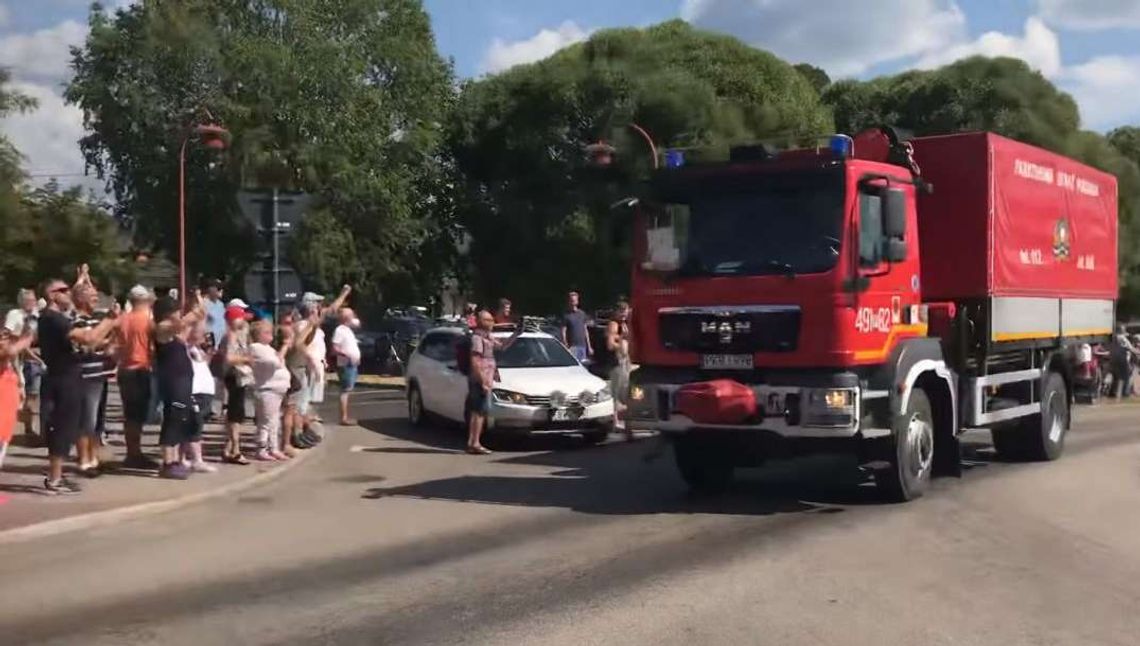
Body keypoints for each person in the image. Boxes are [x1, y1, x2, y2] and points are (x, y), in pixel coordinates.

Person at [38, 277, 118, 494]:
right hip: (63, 379)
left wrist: (105, 341)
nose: (68, 293)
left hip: (66, 376)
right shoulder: (54, 319)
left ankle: (57, 477)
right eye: (63, 290)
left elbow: (86, 344)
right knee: (63, 429)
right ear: (52, 295)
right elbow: (89, 338)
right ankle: (54, 480)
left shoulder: (54, 318)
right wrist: (110, 320)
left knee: (67, 428)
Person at [153, 293, 205, 480]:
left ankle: (175, 459)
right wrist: (192, 312)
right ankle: (168, 462)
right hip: (172, 381)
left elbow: (195, 334)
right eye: (175, 310)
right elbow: (181, 324)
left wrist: (199, 311)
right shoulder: (162, 328)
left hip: (183, 380)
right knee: (173, 417)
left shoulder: (175, 333)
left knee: (182, 417)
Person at [72, 283, 117, 477]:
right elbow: (86, 345)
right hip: (83, 375)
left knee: (97, 420)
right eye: (91, 296)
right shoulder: (77, 320)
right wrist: (105, 328)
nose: (96, 299)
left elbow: (100, 343)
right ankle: (83, 460)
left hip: (99, 374)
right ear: (80, 299)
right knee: (85, 420)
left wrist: (111, 339)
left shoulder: (94, 319)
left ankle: (93, 458)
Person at [466, 309, 523, 454]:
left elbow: (502, 346)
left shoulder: (488, 337)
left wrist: (516, 333)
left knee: (478, 412)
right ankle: (475, 443)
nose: (492, 323)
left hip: (486, 378)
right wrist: (483, 381)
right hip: (480, 380)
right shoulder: (477, 339)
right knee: (479, 412)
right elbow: (475, 361)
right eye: (489, 320)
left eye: (492, 320)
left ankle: (473, 442)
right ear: (481, 322)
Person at [116, 285, 160, 470]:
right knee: (137, 415)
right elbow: (153, 346)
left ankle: (133, 451)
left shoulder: (122, 319)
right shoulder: (148, 321)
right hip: (141, 368)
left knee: (130, 414)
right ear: (147, 299)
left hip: (124, 368)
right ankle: (134, 454)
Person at [216, 305, 254, 464]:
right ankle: (236, 450)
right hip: (234, 377)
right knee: (235, 416)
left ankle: (229, 448)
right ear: (233, 319)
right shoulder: (230, 336)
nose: (244, 321)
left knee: (236, 414)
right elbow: (229, 358)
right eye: (241, 318)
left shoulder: (238, 334)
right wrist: (246, 360)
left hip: (238, 378)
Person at [249, 319, 291, 461]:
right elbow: (275, 363)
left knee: (274, 421)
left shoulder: (269, 348)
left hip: (277, 390)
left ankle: (273, 448)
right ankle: (261, 449)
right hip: (267, 390)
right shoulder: (256, 348)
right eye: (266, 332)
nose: (270, 335)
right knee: (266, 421)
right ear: (258, 335)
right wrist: (285, 346)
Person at [4, 288, 41, 446]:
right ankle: (13, 427)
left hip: (35, 358)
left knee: (33, 394)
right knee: (19, 394)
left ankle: (30, 428)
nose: (31, 303)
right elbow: (8, 335)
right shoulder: (15, 315)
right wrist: (24, 340)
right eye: (28, 300)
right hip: (18, 358)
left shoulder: (37, 315)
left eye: (33, 300)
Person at [184, 322, 218, 473]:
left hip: (205, 391)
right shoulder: (185, 348)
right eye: (200, 333)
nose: (204, 336)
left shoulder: (198, 350)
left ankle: (187, 457)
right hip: (194, 391)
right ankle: (196, 459)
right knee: (194, 424)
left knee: (197, 424)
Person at [0, 325, 35, 472]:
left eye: (5, 338)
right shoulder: (5, 354)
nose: (4, 342)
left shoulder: (9, 364)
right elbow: (10, 351)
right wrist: (29, 335)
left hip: (7, 408)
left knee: (3, 442)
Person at [606, 301, 634, 441]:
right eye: (621, 311)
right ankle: (618, 423)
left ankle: (626, 426)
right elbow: (610, 345)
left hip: (627, 362)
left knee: (627, 394)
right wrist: (621, 342)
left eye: (626, 311)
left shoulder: (626, 324)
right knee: (620, 394)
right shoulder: (614, 324)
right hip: (618, 362)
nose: (624, 314)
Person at [331, 307, 362, 426]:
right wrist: (347, 356)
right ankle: (343, 417)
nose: (353, 316)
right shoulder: (340, 330)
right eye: (351, 314)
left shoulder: (347, 329)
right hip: (345, 362)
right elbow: (335, 348)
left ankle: (345, 416)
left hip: (351, 362)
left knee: (348, 389)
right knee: (345, 389)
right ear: (346, 317)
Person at [560, 291, 594, 362]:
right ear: (569, 301)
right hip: (572, 346)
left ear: (577, 301)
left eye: (574, 300)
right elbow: (563, 331)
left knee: (583, 366)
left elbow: (585, 330)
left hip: (582, 345)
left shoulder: (582, 314)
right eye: (571, 300)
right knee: (573, 365)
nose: (573, 302)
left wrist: (589, 346)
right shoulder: (566, 315)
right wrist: (565, 345)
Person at [1109, 324, 1139, 400]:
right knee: (1123, 378)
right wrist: (1138, 352)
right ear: (1121, 330)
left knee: (1116, 377)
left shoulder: (1112, 337)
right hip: (1121, 360)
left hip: (1112, 359)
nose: (1125, 330)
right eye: (1124, 329)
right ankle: (1121, 396)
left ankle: (1112, 394)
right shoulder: (1122, 338)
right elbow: (1131, 349)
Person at [202, 279, 226, 349]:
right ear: (211, 289)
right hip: (209, 343)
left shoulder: (220, 304)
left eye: (222, 288)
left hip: (221, 343)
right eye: (219, 288)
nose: (221, 290)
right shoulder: (203, 304)